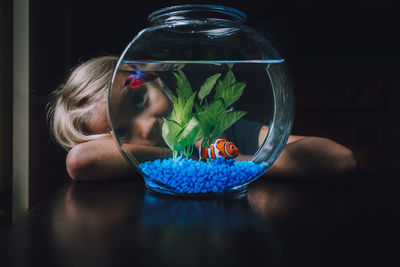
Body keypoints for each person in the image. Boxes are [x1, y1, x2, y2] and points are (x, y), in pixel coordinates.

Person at [48, 56, 357, 181]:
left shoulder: (223, 129)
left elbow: (342, 158)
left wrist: (228, 164)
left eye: (139, 99)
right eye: (122, 133)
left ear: (149, 73)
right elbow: (81, 160)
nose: (146, 126)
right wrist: (180, 160)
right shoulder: (136, 162)